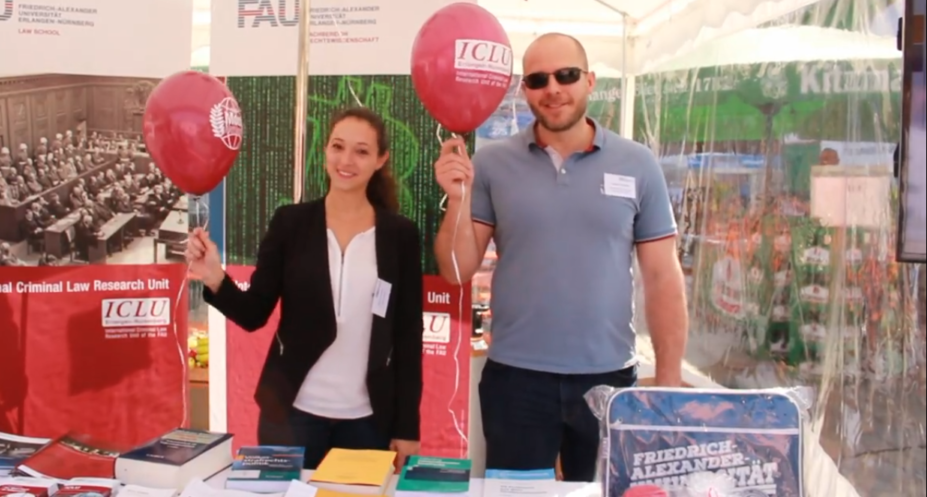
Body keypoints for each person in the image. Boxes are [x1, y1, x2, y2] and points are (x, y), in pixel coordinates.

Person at [433, 33, 687, 481]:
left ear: (589, 81)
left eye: (566, 75)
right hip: (516, 379)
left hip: (609, 378)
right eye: (537, 79)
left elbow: (663, 277)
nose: (552, 88)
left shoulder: (637, 163)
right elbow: (456, 272)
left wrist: (667, 379)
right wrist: (456, 200)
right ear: (524, 89)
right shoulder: (491, 164)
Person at [187, 107, 424, 470]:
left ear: (381, 160)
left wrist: (407, 426)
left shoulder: (400, 236)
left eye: (361, 151)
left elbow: (408, 337)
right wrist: (215, 278)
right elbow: (254, 313)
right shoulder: (290, 223)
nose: (346, 160)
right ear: (325, 150)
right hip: (291, 415)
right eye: (337, 146)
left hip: (368, 421)